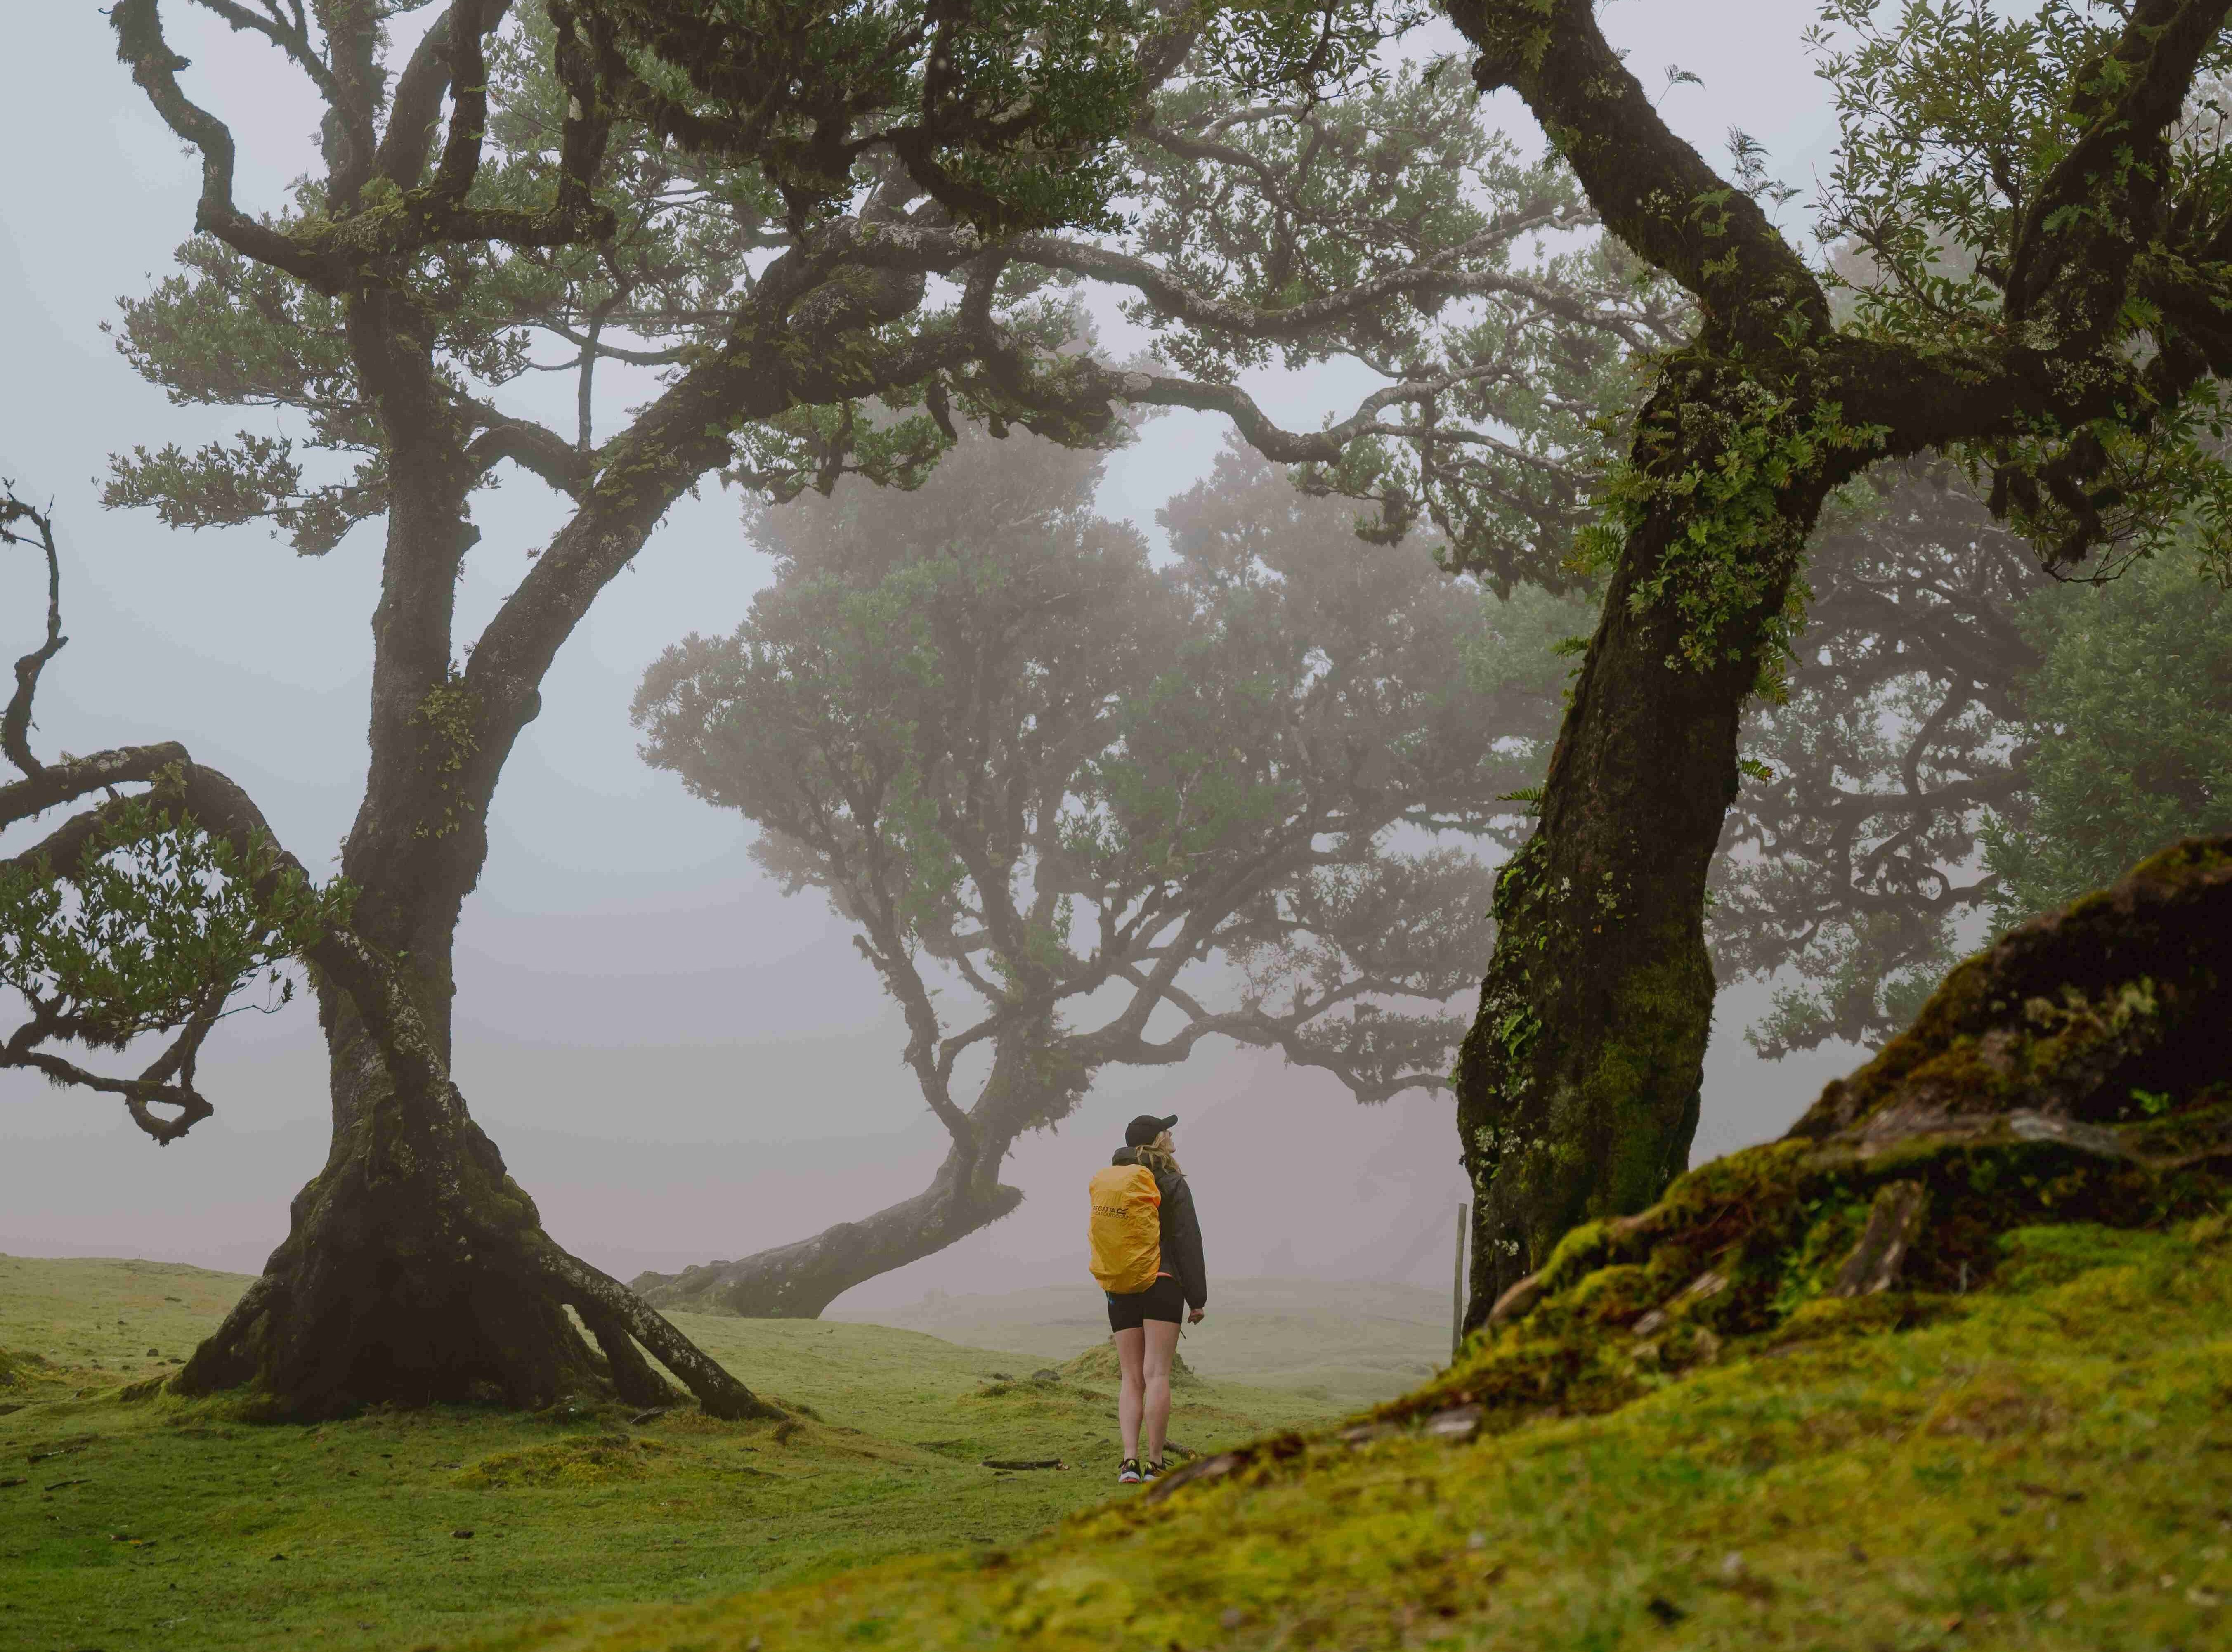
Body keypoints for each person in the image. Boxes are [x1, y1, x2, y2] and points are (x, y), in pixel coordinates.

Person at [1102, 1113, 1206, 1484]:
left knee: (1131, 1378)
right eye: (1168, 1130)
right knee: (1157, 1373)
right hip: (1162, 1280)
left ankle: (1128, 1462)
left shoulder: (1114, 1180)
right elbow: (1186, 1241)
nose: (1172, 1134)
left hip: (1120, 1284)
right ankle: (1155, 1464)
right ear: (1158, 1140)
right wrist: (1197, 1297)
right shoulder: (1171, 1180)